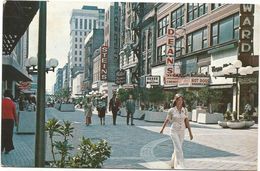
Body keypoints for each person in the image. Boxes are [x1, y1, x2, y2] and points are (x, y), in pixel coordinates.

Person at [160, 93, 193, 169]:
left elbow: (187, 121)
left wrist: (190, 133)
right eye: (178, 100)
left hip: (182, 131)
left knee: (178, 148)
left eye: (181, 100)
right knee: (179, 148)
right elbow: (167, 120)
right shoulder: (171, 110)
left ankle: (172, 163)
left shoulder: (184, 110)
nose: (180, 101)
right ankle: (179, 165)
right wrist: (162, 129)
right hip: (174, 131)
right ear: (176, 100)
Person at [1, 90, 18, 154]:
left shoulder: (1, 102)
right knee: (9, 135)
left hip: (2, 120)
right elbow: (14, 113)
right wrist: (16, 122)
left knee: (2, 134)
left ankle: (1, 148)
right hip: (10, 121)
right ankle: (7, 149)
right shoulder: (12, 103)